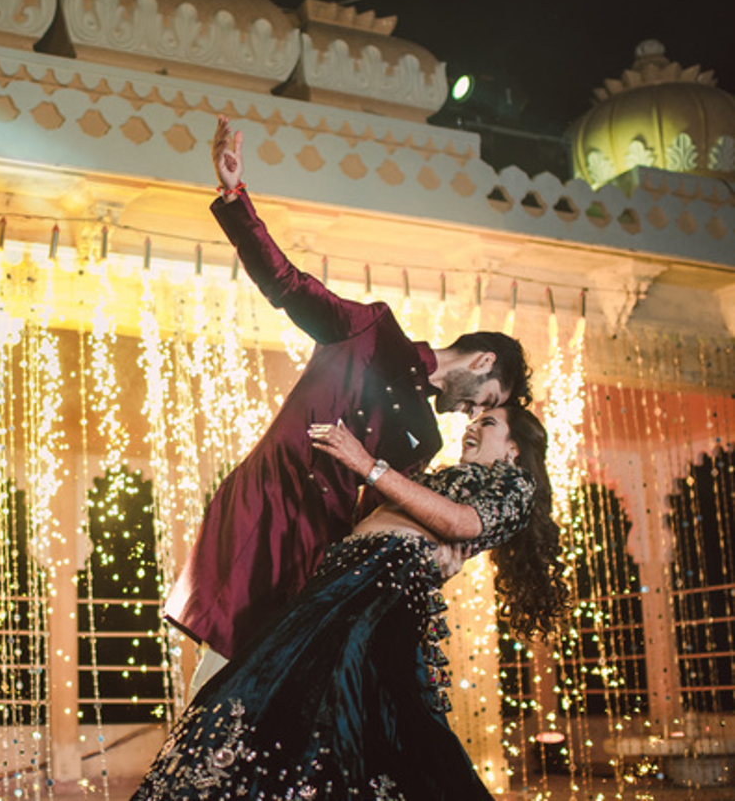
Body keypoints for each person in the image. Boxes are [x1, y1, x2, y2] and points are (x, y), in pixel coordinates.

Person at [165, 116, 533, 686]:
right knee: (222, 680)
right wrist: (235, 196)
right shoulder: (370, 332)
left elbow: (375, 517)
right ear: (483, 362)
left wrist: (437, 552)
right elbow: (286, 284)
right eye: (485, 400)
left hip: (320, 555)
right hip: (268, 507)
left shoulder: (426, 437)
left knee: (273, 693)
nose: (471, 414)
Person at [133, 404, 569, 801]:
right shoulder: (452, 478)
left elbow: (462, 523)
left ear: (514, 448)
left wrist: (366, 465)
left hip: (374, 588)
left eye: (487, 423)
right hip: (348, 581)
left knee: (334, 706)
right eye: (473, 421)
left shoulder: (515, 483)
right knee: (303, 702)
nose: (471, 428)